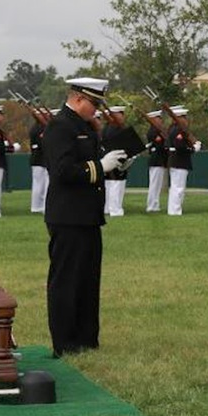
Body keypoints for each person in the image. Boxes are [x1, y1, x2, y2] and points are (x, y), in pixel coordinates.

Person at [43, 76, 128, 357]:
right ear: (78, 98)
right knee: (67, 281)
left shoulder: (85, 127)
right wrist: (99, 166)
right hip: (67, 215)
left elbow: (94, 168)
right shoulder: (59, 127)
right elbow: (63, 171)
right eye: (94, 103)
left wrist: (116, 165)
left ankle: (86, 339)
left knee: (88, 280)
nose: (97, 109)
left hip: (88, 215)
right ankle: (64, 342)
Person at [167, 105, 197, 216]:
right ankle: (175, 210)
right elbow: (180, 147)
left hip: (177, 162)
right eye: (184, 117)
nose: (186, 120)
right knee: (178, 188)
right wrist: (192, 149)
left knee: (176, 187)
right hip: (179, 162)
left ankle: (173, 210)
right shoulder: (178, 131)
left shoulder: (174, 129)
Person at [102, 106, 129, 217]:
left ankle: (108, 208)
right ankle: (115, 210)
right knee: (116, 185)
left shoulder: (108, 127)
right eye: (121, 114)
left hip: (111, 158)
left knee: (110, 185)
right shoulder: (115, 129)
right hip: (116, 158)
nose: (123, 117)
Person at [145, 110, 168, 213]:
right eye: (158, 118)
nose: (160, 120)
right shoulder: (153, 131)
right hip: (156, 160)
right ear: (154, 119)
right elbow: (159, 146)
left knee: (157, 185)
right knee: (154, 184)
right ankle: (151, 205)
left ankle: (155, 204)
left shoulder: (158, 131)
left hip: (159, 160)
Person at [29, 111, 49, 213]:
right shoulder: (41, 129)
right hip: (41, 158)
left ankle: (36, 206)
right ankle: (40, 206)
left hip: (37, 158)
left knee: (38, 184)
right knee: (42, 184)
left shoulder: (34, 128)